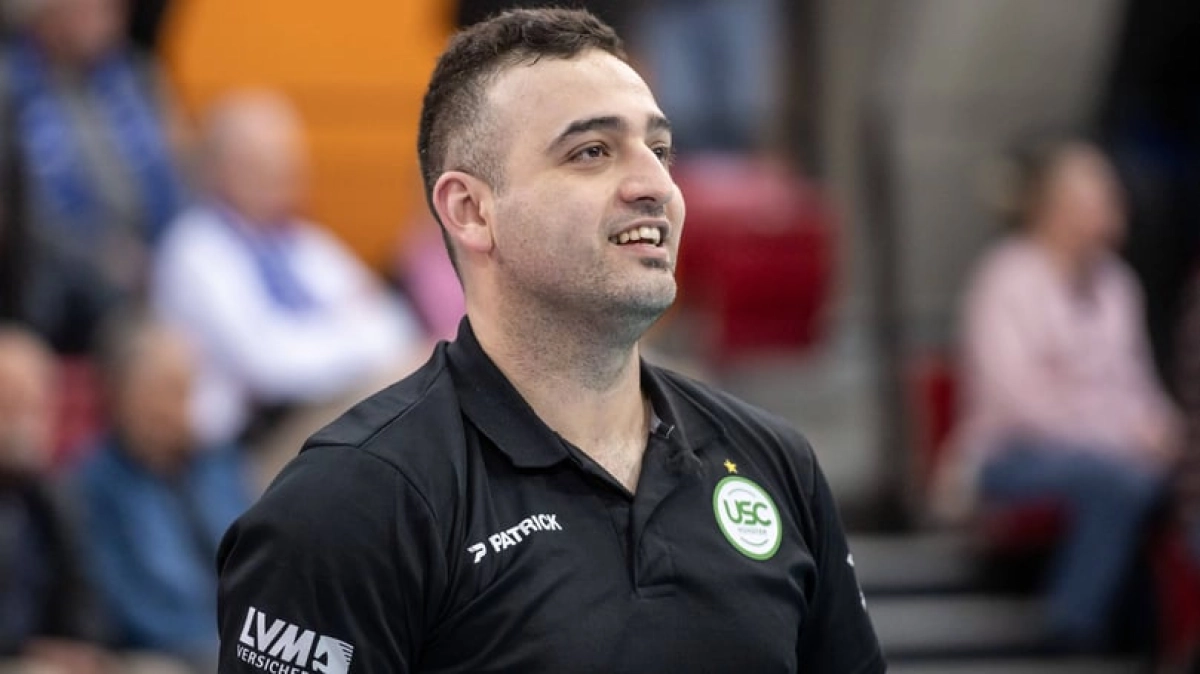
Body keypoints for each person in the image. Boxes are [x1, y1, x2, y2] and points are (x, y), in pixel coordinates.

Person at [216, 9, 883, 673]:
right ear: (471, 211)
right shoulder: (349, 503)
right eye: (591, 152)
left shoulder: (775, 462)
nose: (656, 186)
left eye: (659, 150)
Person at [953, 137, 1181, 652]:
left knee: (1164, 475)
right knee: (1119, 479)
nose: (1115, 208)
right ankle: (1068, 631)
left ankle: (1160, 639)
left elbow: (1138, 387)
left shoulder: (1119, 284)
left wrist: (1166, 431)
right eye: (1100, 198)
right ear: (1055, 207)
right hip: (1011, 456)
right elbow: (1019, 403)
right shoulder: (1006, 278)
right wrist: (1120, 437)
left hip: (1108, 455)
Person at [152, 91, 425, 476]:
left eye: (285, 162)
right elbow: (268, 366)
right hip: (234, 457)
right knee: (402, 390)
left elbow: (394, 328)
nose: (279, 177)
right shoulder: (196, 248)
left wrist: (323, 338)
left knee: (419, 375)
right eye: (258, 163)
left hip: (308, 421)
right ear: (217, 167)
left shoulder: (303, 244)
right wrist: (345, 331)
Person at [0, 0, 187, 354]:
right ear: (44, 13)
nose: (109, 18)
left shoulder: (134, 75)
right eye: (90, 8)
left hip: (149, 262)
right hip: (54, 281)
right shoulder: (11, 83)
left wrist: (175, 250)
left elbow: (179, 175)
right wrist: (99, 254)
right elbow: (20, 213)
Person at [72, 313, 250, 673]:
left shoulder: (220, 464)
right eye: (158, 392)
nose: (172, 409)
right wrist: (222, 645)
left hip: (236, 638)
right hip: (163, 649)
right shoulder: (92, 483)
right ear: (120, 397)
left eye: (182, 391)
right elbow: (122, 602)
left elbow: (252, 562)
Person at [0, 326, 107, 674]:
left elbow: (83, 597)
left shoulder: (53, 497)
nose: (26, 424)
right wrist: (27, 649)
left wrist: (83, 647)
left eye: (37, 406)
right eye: (11, 406)